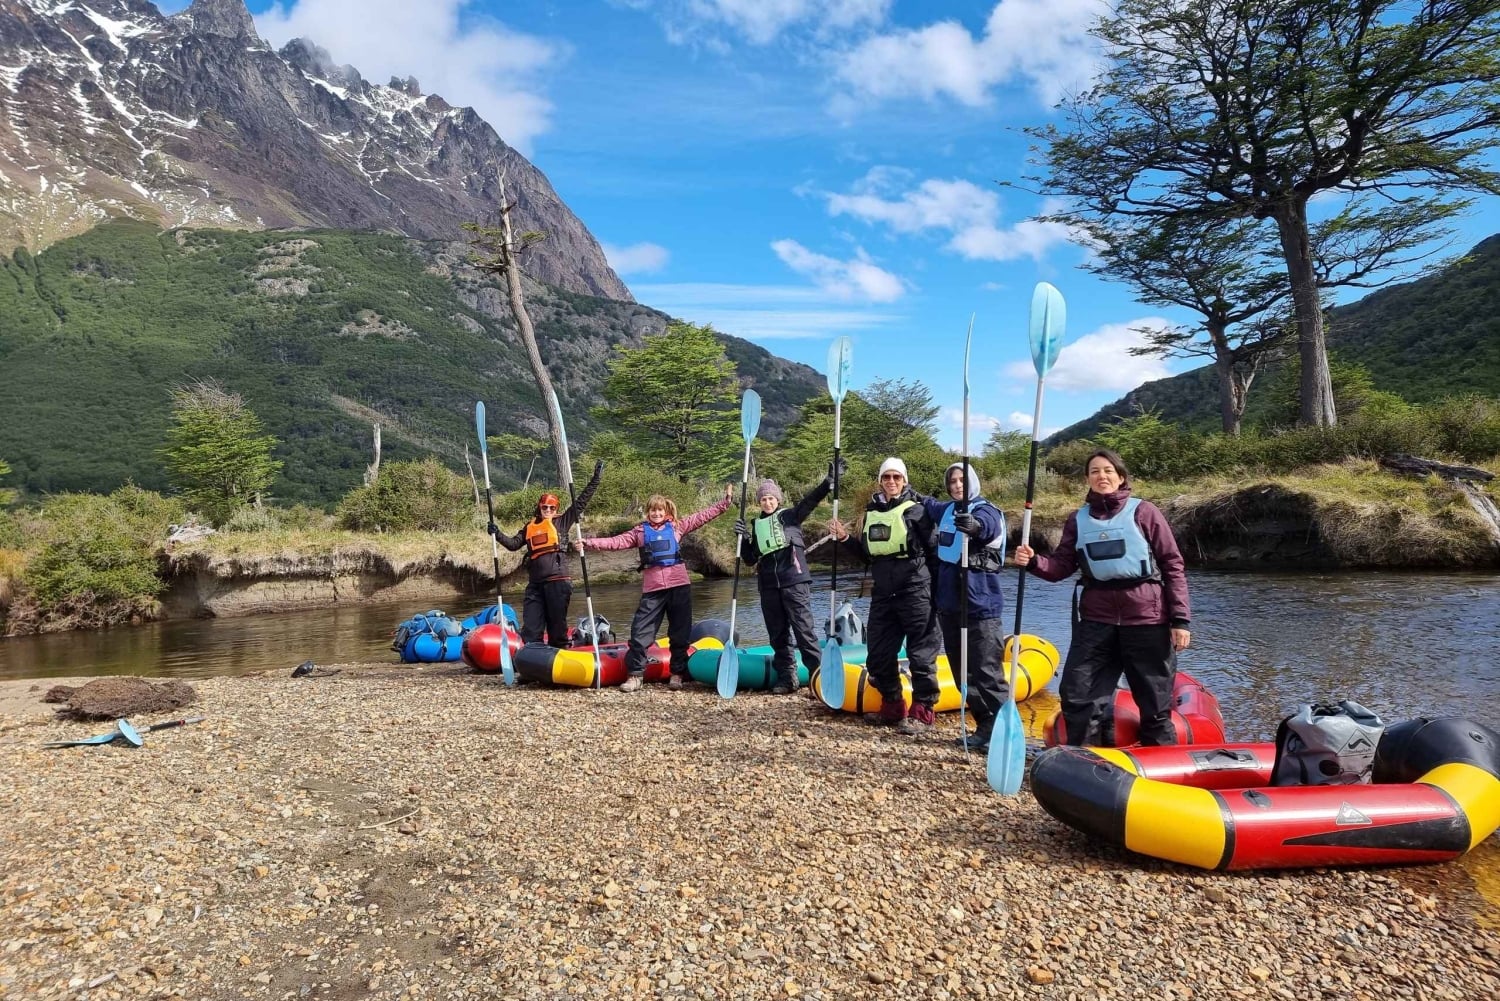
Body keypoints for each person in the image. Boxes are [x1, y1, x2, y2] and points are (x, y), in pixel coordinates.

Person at [1013, 448, 1191, 746]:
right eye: (1095, 471)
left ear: (1121, 477)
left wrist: (1180, 620)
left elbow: (1172, 564)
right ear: (1087, 479)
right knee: (1077, 694)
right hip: (1097, 620)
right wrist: (1033, 562)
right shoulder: (1077, 520)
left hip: (1147, 619)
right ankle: (1083, 759)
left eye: (1108, 470)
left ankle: (1158, 761)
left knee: (1155, 702)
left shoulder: (1144, 512)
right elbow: (1060, 567)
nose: (1102, 476)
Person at [581, 485, 733, 692]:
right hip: (653, 590)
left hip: (679, 586)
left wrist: (724, 504)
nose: (656, 513)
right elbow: (616, 542)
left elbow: (702, 517)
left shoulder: (678, 527)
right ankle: (635, 675)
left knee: (679, 634)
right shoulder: (639, 532)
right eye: (653, 510)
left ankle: (677, 674)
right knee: (639, 633)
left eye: (660, 510)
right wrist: (589, 543)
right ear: (648, 512)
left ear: (666, 511)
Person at [830, 457, 942, 734]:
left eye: (897, 477)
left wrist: (939, 593)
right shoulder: (871, 513)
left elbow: (935, 553)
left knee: (921, 654)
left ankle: (923, 712)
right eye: (887, 477)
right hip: (883, 593)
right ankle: (893, 707)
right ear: (880, 481)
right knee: (878, 655)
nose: (891, 481)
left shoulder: (917, 511)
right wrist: (845, 538)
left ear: (904, 481)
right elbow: (867, 555)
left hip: (916, 590)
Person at [918, 461, 1008, 752]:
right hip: (950, 606)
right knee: (962, 674)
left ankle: (1005, 733)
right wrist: (911, 493)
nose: (957, 485)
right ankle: (985, 726)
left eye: (962, 480)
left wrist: (975, 526)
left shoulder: (986, 511)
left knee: (986, 672)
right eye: (952, 481)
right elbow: (929, 504)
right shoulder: (946, 510)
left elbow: (987, 528)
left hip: (980, 607)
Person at [733, 460, 844, 695]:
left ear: (778, 500)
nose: (767, 502)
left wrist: (828, 483)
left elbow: (810, 501)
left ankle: (818, 680)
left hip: (794, 581)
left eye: (771, 498)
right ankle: (787, 678)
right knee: (778, 634)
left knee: (804, 632)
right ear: (759, 502)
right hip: (769, 585)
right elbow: (751, 559)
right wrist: (743, 540)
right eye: (763, 499)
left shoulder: (790, 517)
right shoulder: (757, 525)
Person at [492, 461, 603, 648]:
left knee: (556, 627)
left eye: (552, 508)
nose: (548, 511)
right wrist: (497, 533)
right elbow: (513, 545)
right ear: (540, 507)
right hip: (535, 584)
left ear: (556, 509)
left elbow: (581, 502)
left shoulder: (562, 522)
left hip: (558, 582)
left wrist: (595, 479)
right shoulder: (529, 527)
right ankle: (531, 654)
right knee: (531, 627)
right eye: (545, 507)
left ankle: (559, 652)